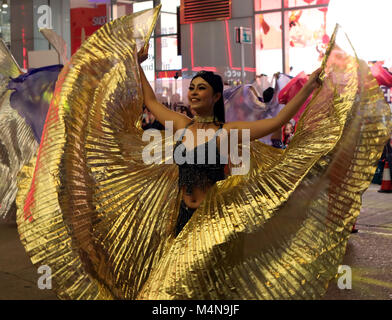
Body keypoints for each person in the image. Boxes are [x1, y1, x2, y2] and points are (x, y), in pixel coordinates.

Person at [137, 44, 322, 236]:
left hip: (210, 221)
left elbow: (277, 121)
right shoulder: (181, 124)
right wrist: (138, 64)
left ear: (216, 96)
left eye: (201, 88)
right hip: (182, 217)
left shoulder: (226, 132)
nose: (193, 92)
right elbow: (150, 101)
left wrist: (308, 86)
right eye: (191, 88)